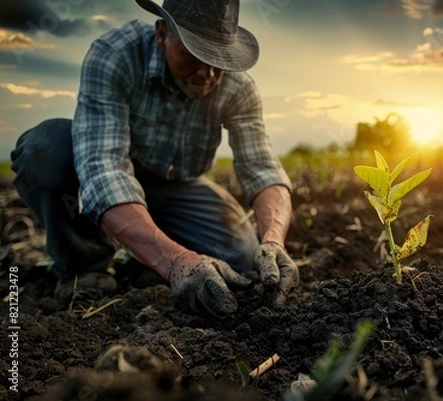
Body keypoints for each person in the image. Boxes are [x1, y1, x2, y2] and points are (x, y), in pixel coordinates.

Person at [10, 0, 299, 319]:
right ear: (162, 34)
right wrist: (175, 263)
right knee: (45, 149)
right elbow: (104, 172)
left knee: (244, 259)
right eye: (194, 54)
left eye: (218, 59)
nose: (207, 73)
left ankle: (145, 251)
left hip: (178, 186)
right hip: (114, 170)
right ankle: (85, 266)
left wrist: (273, 240)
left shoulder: (238, 87)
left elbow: (262, 168)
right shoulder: (116, 55)